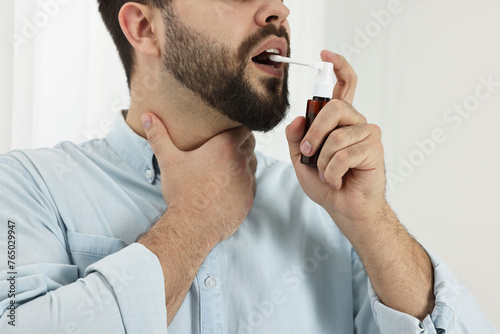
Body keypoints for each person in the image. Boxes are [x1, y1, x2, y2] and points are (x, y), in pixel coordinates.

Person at [0, 0, 496, 333]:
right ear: (145, 28)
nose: (278, 8)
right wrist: (196, 219)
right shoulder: (25, 189)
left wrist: (371, 222)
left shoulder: (329, 209)